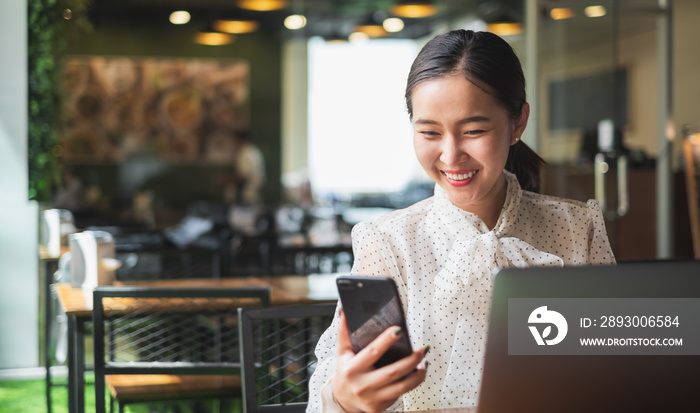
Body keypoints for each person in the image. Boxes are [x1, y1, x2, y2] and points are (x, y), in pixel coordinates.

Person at [307, 29, 615, 412]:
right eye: (429, 132)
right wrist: (345, 397)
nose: (451, 156)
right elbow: (333, 387)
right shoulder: (388, 244)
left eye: (473, 131)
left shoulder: (576, 229)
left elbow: (620, 367)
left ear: (517, 123)